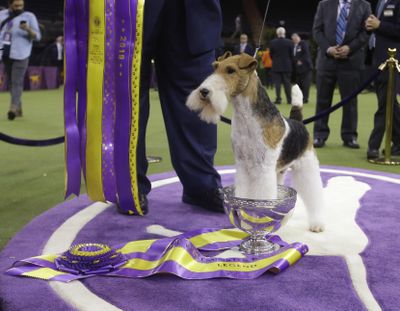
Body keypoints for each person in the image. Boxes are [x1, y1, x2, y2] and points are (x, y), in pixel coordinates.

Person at [134, 0, 224, 214]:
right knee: (128, 92)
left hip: (193, 10)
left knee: (195, 95)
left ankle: (201, 185)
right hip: (129, 10)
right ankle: (129, 185)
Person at [312, 0, 371, 149]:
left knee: (350, 102)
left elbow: (366, 32)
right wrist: (328, 49)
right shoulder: (324, 4)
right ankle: (319, 135)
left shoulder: (364, 6)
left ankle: (349, 136)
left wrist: (350, 48)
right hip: (326, 60)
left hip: (351, 60)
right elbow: (317, 31)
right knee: (322, 100)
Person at [365, 0, 400, 159]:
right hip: (379, 61)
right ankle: (399, 143)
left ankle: (374, 145)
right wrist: (370, 26)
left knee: (385, 104)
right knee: (390, 104)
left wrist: (379, 25)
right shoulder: (381, 2)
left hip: (393, 61)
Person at [0, 0, 41, 120]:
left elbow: (37, 37)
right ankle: (19, 108)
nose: (19, 7)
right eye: (16, 5)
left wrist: (28, 29)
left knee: (17, 81)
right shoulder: (2, 15)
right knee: (12, 83)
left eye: (21, 5)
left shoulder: (29, 16)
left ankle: (12, 108)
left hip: (21, 53)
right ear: (10, 5)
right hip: (5, 53)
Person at [269, 27, 293, 104]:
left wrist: (275, 60)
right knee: (287, 83)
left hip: (276, 65)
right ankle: (289, 100)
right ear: (284, 33)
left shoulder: (273, 42)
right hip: (287, 65)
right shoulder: (289, 42)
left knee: (277, 84)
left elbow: (271, 54)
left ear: (277, 33)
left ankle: (278, 99)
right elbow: (291, 54)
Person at [291, 33, 313, 103]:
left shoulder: (303, 43)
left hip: (306, 68)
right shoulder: (295, 46)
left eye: (295, 39)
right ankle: (301, 97)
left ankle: (305, 99)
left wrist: (301, 60)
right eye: (293, 40)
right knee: (299, 84)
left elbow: (306, 54)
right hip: (299, 69)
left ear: (298, 38)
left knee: (305, 84)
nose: (294, 41)